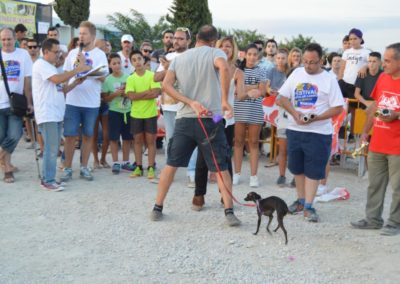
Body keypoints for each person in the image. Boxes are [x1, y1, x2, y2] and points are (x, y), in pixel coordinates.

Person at [150, 25, 241, 226]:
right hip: (211, 120)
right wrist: (225, 100)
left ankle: (157, 207)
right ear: (212, 41)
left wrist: (189, 102)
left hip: (184, 119)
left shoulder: (179, 58)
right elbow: (225, 67)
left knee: (171, 164)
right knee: (221, 167)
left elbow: (165, 86)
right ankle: (229, 212)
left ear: (196, 38)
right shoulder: (215, 52)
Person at [277, 43, 344, 222]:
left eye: (312, 62)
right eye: (305, 61)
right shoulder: (297, 73)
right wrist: (294, 113)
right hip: (295, 129)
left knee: (313, 170)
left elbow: (338, 108)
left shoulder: (329, 79)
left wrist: (317, 117)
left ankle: (309, 205)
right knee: (297, 168)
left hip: (318, 132)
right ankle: (300, 201)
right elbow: (282, 98)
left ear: (321, 60)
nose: (308, 65)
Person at [351, 43, 400, 236]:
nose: (384, 64)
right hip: (378, 142)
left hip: (397, 146)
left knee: (398, 187)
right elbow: (374, 107)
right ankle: (372, 219)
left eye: (388, 60)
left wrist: (397, 115)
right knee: (374, 184)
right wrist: (365, 132)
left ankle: (395, 223)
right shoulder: (382, 77)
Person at [192, 35, 245, 210]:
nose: (226, 49)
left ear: (234, 49)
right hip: (208, 116)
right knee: (202, 157)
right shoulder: (209, 67)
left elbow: (241, 95)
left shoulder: (237, 72)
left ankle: (226, 195)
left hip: (226, 120)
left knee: (224, 157)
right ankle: (199, 194)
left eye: (229, 46)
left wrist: (256, 91)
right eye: (222, 45)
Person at [32, 38, 90, 191]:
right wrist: (77, 69)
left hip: (56, 114)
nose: (58, 55)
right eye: (55, 52)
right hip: (47, 113)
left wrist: (76, 83)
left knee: (54, 147)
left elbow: (61, 89)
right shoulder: (40, 64)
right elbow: (57, 79)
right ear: (45, 52)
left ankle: (49, 178)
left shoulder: (50, 67)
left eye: (59, 52)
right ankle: (47, 180)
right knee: (51, 149)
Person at [60, 21, 109, 182]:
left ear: (93, 36)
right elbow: (66, 75)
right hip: (73, 101)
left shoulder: (100, 55)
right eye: (79, 33)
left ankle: (84, 167)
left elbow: (103, 77)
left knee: (88, 135)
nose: (81, 36)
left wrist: (86, 68)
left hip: (91, 103)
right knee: (69, 136)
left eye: (84, 33)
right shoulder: (73, 53)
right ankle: (67, 168)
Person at [153, 27, 195, 185]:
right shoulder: (168, 56)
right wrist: (168, 68)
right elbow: (156, 77)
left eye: (181, 38)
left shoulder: (193, 56)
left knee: (192, 140)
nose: (176, 41)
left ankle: (192, 173)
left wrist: (173, 67)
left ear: (188, 41)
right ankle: (168, 173)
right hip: (169, 106)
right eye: (175, 38)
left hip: (188, 105)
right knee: (170, 140)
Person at [0, 27, 33, 183]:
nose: (6, 42)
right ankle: (7, 168)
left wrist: (29, 101)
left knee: (14, 135)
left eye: (9, 39)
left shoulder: (23, 54)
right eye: (3, 39)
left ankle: (2, 159)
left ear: (15, 39)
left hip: (16, 103)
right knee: (2, 137)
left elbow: (27, 80)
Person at [233, 43, 267, 187]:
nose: (252, 57)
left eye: (255, 54)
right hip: (239, 109)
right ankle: (237, 173)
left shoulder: (262, 71)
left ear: (258, 56)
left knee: (253, 143)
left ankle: (254, 176)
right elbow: (236, 91)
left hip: (255, 109)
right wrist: (253, 88)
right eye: (250, 54)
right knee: (238, 142)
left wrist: (244, 90)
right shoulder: (237, 71)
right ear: (245, 55)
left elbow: (263, 91)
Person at [125, 50, 161, 179]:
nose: (137, 62)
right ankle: (139, 167)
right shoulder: (130, 78)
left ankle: (151, 167)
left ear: (143, 60)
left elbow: (155, 93)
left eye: (139, 58)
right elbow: (131, 96)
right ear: (131, 63)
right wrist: (146, 92)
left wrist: (138, 95)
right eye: (134, 60)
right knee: (137, 142)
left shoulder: (152, 75)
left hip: (150, 114)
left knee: (151, 142)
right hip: (136, 114)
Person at [101, 53, 133, 174]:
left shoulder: (128, 77)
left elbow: (132, 93)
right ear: (109, 65)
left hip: (128, 111)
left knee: (127, 138)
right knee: (113, 138)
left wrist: (126, 93)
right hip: (114, 112)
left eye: (119, 63)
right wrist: (115, 94)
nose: (117, 65)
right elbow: (105, 98)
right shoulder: (107, 80)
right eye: (114, 63)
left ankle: (125, 162)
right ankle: (115, 163)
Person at [266, 48, 291, 187]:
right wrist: (272, 91)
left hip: (293, 113)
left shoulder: (293, 72)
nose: (281, 60)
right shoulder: (272, 70)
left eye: (283, 58)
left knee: (293, 148)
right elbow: (267, 88)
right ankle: (281, 175)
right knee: (283, 147)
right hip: (281, 112)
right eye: (278, 58)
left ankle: (295, 175)